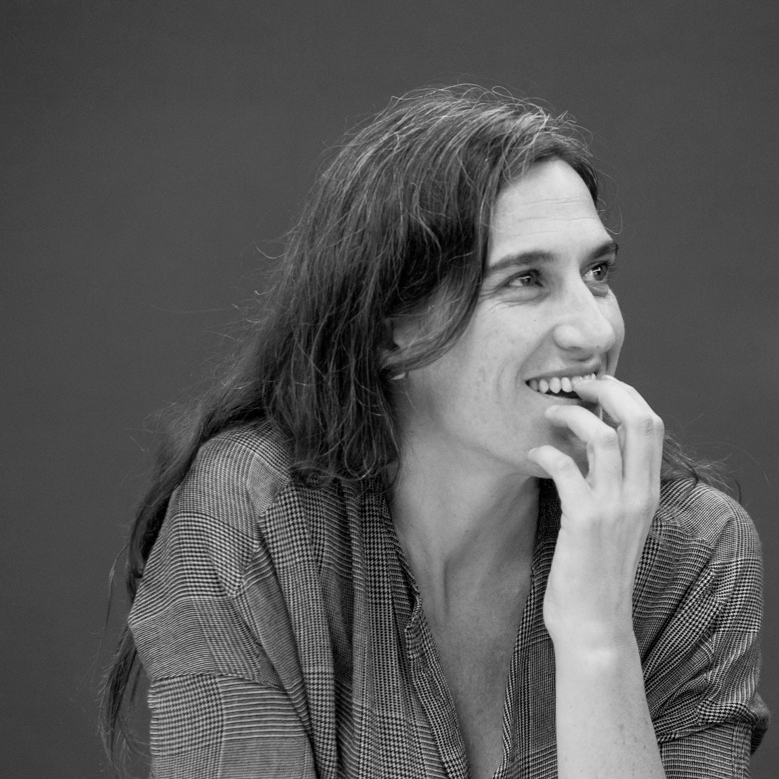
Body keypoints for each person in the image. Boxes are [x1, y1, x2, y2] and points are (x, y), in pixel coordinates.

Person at [103, 86, 768, 778]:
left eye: (596, 273)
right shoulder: (252, 515)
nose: (596, 331)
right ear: (390, 328)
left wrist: (598, 639)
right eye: (526, 280)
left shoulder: (692, 550)